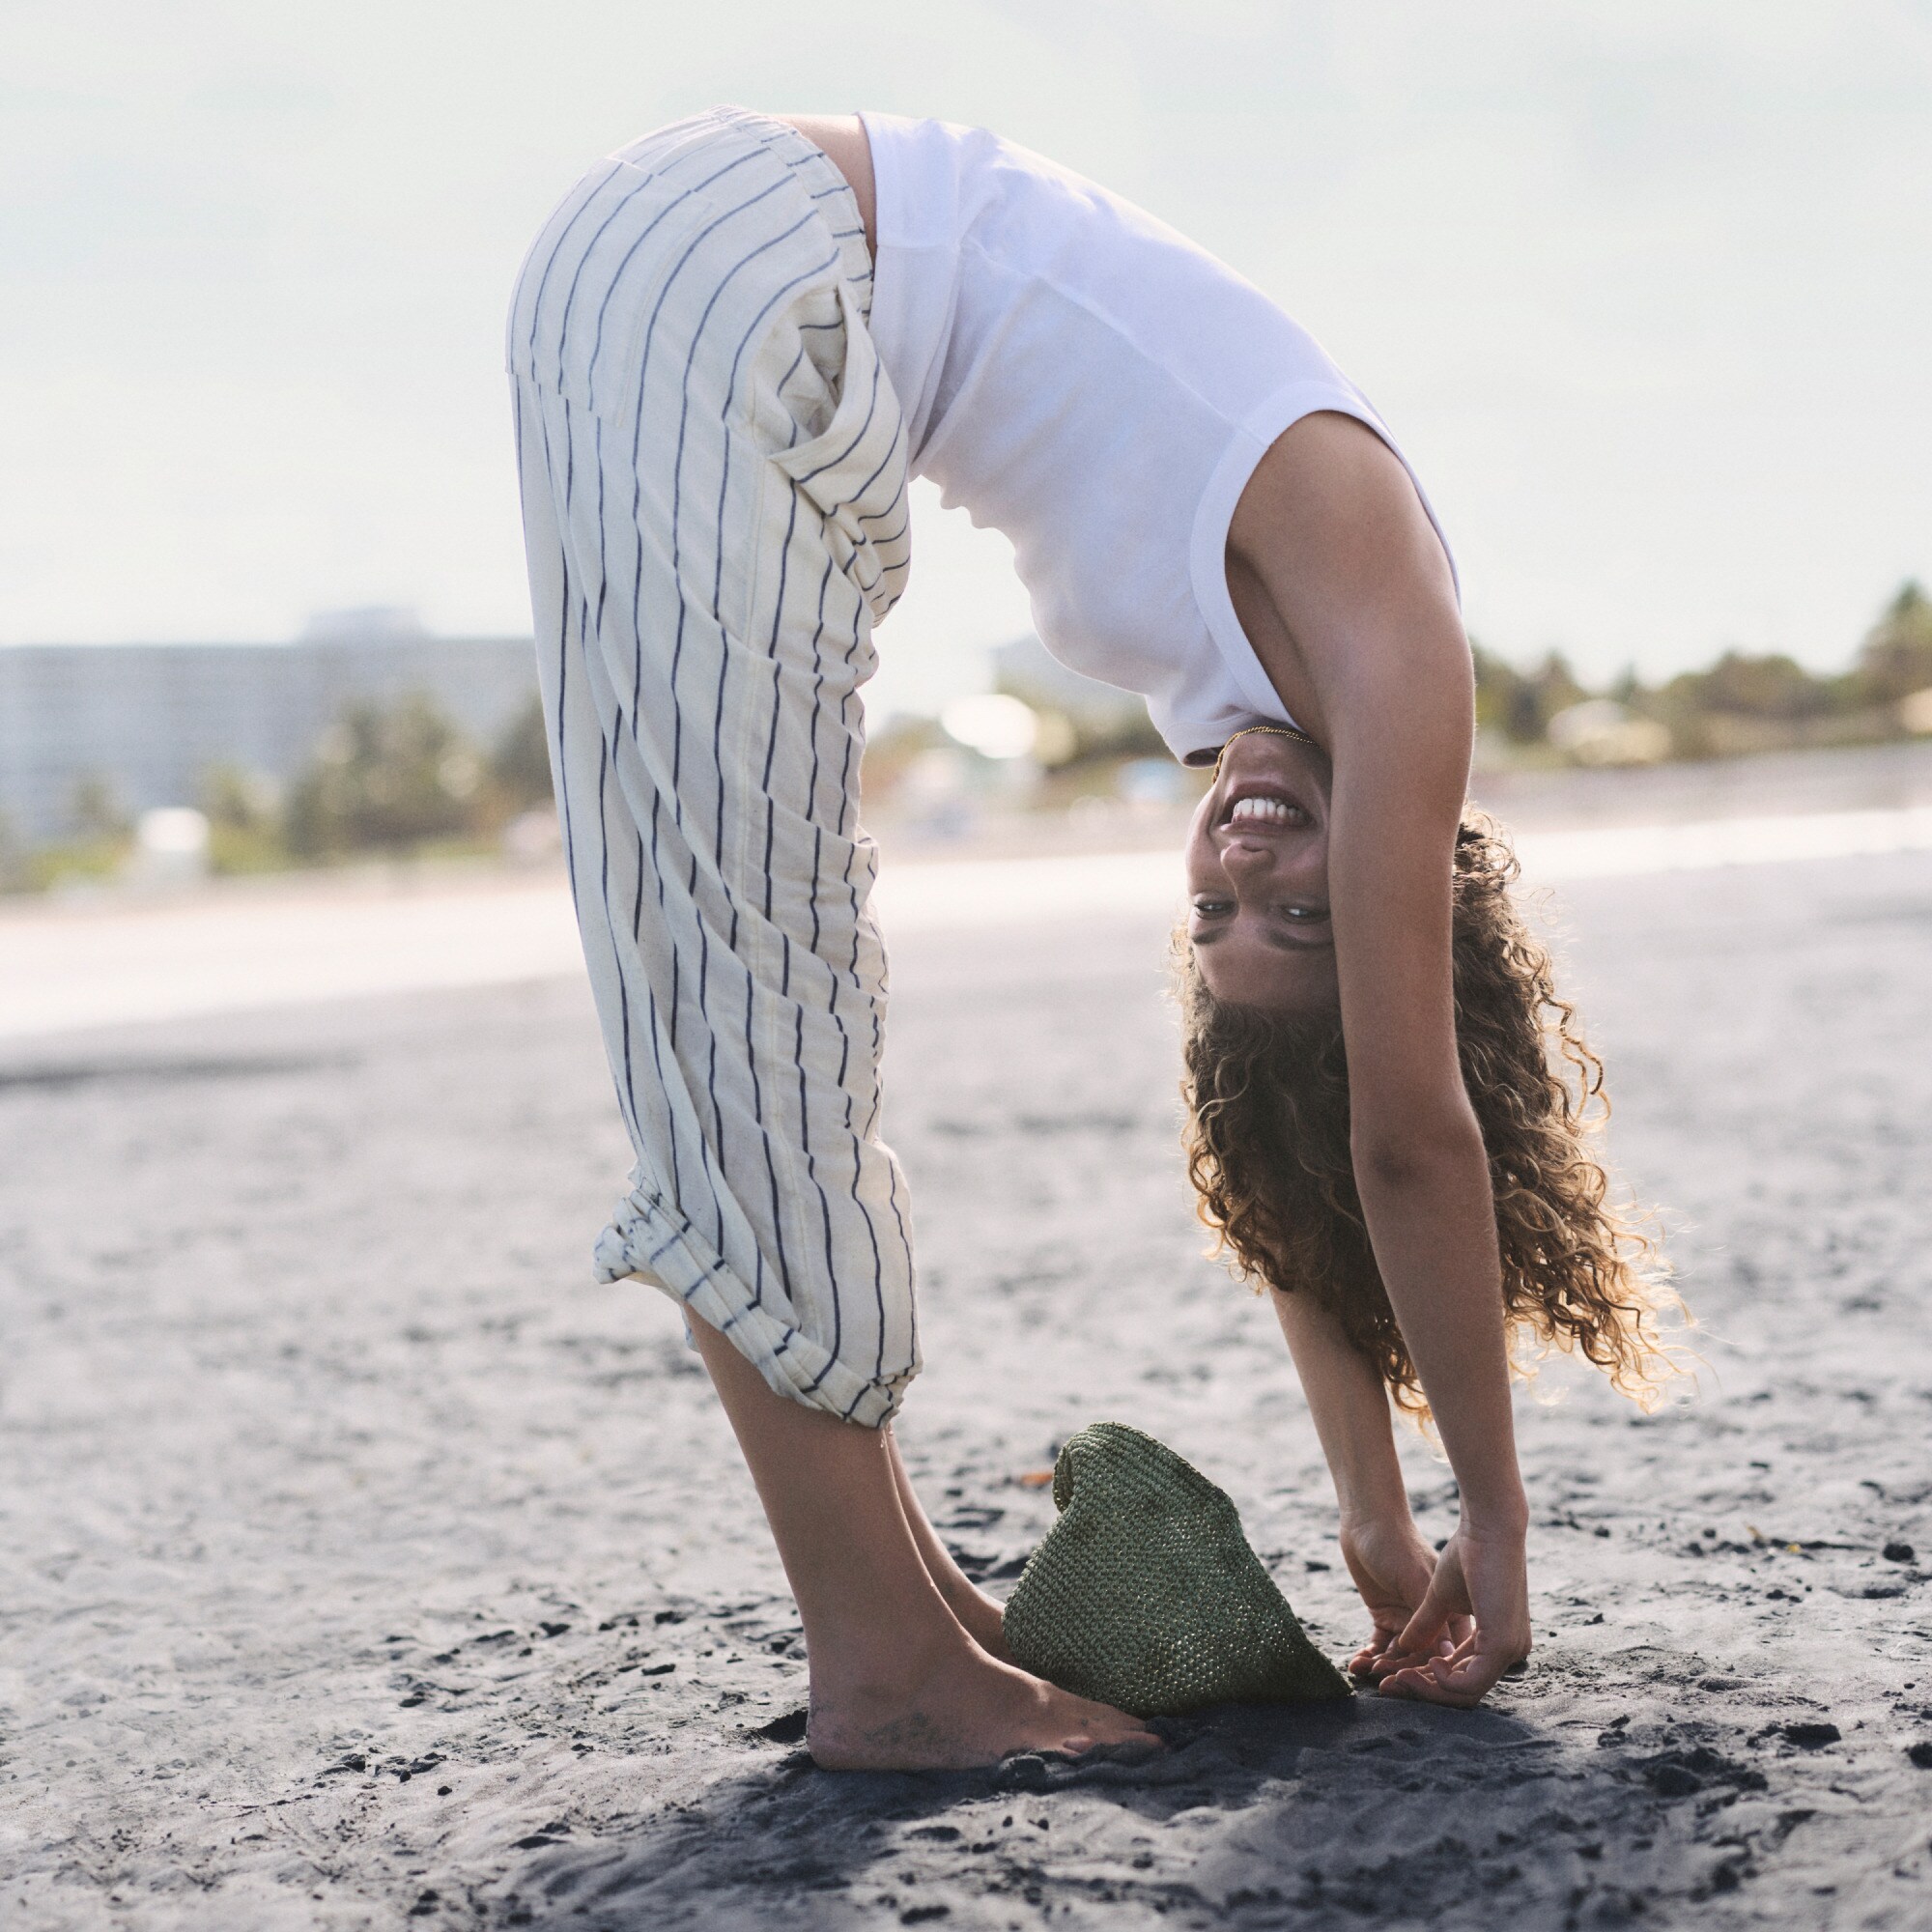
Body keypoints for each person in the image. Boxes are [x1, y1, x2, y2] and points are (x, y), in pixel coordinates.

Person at [506, 104, 1672, 1771]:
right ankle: (891, 1664)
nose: (1245, 862)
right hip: (738, 267)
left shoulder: (1244, 701)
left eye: (1220, 915)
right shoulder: (1398, 653)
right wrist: (1492, 1517)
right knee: (754, 997)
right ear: (1425, 909)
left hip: (708, 281)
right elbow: (1405, 1135)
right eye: (1305, 911)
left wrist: (1365, 1518)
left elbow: (1297, 1176)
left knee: (743, 985)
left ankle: (914, 1607)